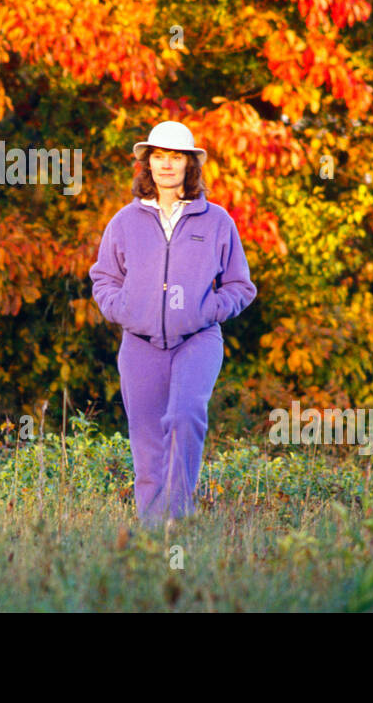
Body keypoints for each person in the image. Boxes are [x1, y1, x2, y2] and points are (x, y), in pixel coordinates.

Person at [88, 121, 257, 529]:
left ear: (189, 164)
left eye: (175, 157)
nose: (166, 165)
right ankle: (152, 532)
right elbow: (103, 277)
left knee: (184, 416)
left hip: (196, 340)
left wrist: (207, 310)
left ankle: (178, 521)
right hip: (139, 343)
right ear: (148, 164)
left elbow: (240, 284)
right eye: (158, 157)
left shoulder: (216, 221)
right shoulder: (125, 220)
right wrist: (122, 308)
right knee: (146, 440)